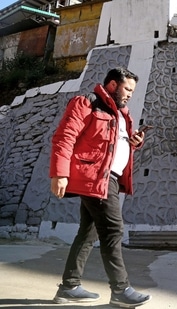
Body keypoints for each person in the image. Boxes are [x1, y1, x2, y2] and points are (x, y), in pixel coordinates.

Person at [49, 67, 151, 308]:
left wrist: (133, 143)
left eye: (133, 91)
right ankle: (120, 289)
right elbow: (64, 137)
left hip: (108, 179)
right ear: (113, 85)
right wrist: (60, 173)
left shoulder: (121, 114)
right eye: (127, 89)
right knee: (114, 230)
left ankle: (69, 287)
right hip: (95, 178)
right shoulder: (87, 103)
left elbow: (112, 146)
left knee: (89, 231)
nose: (129, 95)